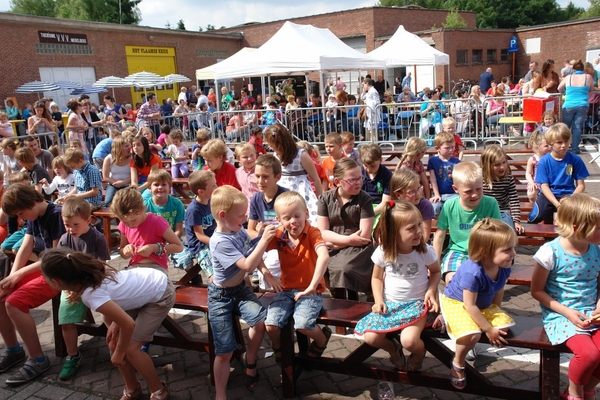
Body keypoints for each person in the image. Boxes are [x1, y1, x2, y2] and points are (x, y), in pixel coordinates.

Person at [40, 248, 174, 400]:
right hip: (144, 289)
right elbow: (117, 310)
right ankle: (133, 388)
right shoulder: (87, 279)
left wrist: (119, 352)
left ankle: (158, 389)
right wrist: (118, 330)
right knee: (113, 341)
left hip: (161, 293)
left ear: (56, 282)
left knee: (131, 349)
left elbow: (128, 324)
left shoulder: (91, 295)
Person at [208, 185, 278, 399]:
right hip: (220, 296)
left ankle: (250, 360)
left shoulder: (237, 230)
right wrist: (264, 240)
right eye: (240, 215)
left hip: (239, 289)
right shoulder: (219, 241)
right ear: (223, 215)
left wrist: (266, 272)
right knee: (225, 351)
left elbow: (252, 253)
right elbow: (247, 264)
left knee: (259, 322)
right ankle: (221, 394)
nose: (245, 218)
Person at [355, 200, 440, 371]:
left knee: (409, 341)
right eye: (411, 228)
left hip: (417, 305)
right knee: (371, 338)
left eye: (418, 224)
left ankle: (418, 354)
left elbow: (436, 272)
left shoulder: (425, 251)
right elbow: (377, 278)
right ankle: (393, 349)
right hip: (390, 305)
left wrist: (431, 291)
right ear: (394, 233)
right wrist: (378, 300)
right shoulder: (383, 252)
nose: (419, 231)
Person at [530, 194, 600, 400]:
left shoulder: (596, 250)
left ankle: (586, 388)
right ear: (578, 227)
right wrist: (567, 312)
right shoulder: (550, 253)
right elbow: (536, 291)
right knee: (588, 355)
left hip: (591, 313)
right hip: (561, 315)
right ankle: (575, 393)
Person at [440, 218, 517, 390]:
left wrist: (495, 310)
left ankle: (464, 326)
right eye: (507, 250)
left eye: (513, 247)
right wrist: (488, 329)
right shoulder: (472, 272)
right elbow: (469, 305)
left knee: (504, 327)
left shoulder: (504, 265)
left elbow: (499, 289)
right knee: (472, 334)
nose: (513, 253)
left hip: (480, 304)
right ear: (485, 251)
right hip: (457, 302)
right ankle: (457, 362)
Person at [0, 184, 65, 384]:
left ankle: (38, 358)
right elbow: (26, 247)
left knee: (14, 303)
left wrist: (19, 274)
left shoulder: (56, 215)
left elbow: (54, 258)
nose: (21, 217)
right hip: (43, 270)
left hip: (59, 274)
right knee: (2, 294)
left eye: (21, 213)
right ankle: (13, 349)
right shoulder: (34, 215)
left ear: (31, 202)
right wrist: (11, 278)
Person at [265, 191, 332, 362]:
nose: (293, 221)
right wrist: (268, 276)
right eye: (287, 218)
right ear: (279, 220)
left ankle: (322, 338)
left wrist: (312, 286)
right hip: (286, 290)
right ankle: (278, 346)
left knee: (302, 324)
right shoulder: (279, 234)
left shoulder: (312, 232)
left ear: (306, 214)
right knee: (271, 326)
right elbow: (254, 253)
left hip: (310, 291)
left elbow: (324, 256)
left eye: (297, 215)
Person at [54, 198, 110, 380]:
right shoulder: (65, 239)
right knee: (66, 319)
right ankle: (72, 354)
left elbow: (101, 267)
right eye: (67, 225)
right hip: (72, 285)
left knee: (110, 314)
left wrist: (82, 286)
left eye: (75, 224)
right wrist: (68, 287)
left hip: (94, 281)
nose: (71, 229)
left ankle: (115, 346)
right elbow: (60, 266)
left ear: (88, 220)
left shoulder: (97, 238)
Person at [432, 161, 501, 284]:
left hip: (484, 252)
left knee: (486, 280)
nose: (474, 195)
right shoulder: (450, 205)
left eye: (479, 189)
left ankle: (481, 302)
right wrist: (435, 262)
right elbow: (440, 234)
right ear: (456, 189)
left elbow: (498, 233)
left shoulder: (491, 203)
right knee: (452, 280)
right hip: (457, 251)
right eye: (468, 191)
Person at [317, 158, 374, 300]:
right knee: (318, 261)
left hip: (358, 249)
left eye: (360, 178)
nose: (359, 182)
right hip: (340, 243)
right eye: (352, 180)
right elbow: (323, 232)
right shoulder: (325, 199)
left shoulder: (365, 199)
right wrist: (348, 240)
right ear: (337, 182)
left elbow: (364, 236)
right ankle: (337, 295)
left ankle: (352, 301)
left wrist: (334, 242)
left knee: (344, 267)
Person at [528, 123, 589, 224]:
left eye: (566, 141)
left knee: (581, 218)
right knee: (534, 217)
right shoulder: (544, 161)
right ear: (551, 143)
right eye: (559, 142)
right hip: (548, 195)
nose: (564, 145)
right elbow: (544, 186)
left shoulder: (575, 160)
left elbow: (581, 185)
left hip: (569, 194)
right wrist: (558, 205)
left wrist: (570, 199)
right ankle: (529, 237)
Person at [264, 123, 323, 225]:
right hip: (282, 190)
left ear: (280, 143)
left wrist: (321, 201)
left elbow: (315, 178)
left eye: (271, 144)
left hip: (300, 190)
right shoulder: (276, 155)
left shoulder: (301, 154)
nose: (270, 147)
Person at [111, 187, 183, 271]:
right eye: (125, 222)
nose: (130, 225)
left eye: (133, 220)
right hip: (134, 267)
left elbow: (178, 247)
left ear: (142, 208)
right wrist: (125, 251)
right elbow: (123, 253)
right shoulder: (123, 225)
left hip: (156, 267)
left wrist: (154, 248)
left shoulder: (157, 222)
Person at [247, 154, 288, 287]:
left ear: (278, 177)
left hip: (282, 244)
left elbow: (291, 230)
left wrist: (265, 234)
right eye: (257, 176)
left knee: (271, 264)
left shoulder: (286, 197)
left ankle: (270, 295)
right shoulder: (256, 198)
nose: (260, 181)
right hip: (264, 242)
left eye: (265, 177)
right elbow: (250, 229)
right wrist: (262, 235)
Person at [480, 145, 525, 234]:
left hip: (502, 211)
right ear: (487, 165)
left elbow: (514, 200)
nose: (502, 167)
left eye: (504, 162)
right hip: (484, 212)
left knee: (508, 232)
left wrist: (516, 221)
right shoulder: (481, 178)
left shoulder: (508, 178)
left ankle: (507, 247)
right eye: (497, 165)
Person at [184, 170, 217, 282]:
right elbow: (199, 235)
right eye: (213, 186)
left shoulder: (210, 201)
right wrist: (216, 242)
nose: (216, 187)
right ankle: (216, 290)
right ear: (201, 192)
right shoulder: (194, 210)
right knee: (214, 272)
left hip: (212, 239)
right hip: (200, 246)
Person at [558, 60, 593, 155]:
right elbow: (592, 89)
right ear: (583, 69)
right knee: (577, 128)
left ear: (573, 69)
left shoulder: (568, 77)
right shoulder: (588, 77)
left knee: (565, 127)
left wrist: (566, 91)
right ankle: (575, 149)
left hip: (569, 104)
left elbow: (559, 88)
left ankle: (562, 146)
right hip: (582, 104)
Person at [389, 169, 434, 240]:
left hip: (419, 246)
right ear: (398, 195)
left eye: (419, 188)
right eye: (412, 191)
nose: (418, 193)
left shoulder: (425, 205)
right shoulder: (392, 207)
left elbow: (425, 236)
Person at [427, 132, 461, 216]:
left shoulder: (457, 162)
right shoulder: (433, 161)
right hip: (440, 195)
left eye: (452, 147)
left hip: (454, 194)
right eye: (447, 148)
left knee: (457, 207)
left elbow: (460, 179)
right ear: (437, 148)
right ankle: (441, 227)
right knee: (434, 207)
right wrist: (436, 194)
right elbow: (433, 179)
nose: (451, 150)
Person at [359, 143, 392, 215]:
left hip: (379, 208)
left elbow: (385, 203)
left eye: (372, 166)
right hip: (360, 206)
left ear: (380, 160)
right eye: (365, 166)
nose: (368, 169)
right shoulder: (359, 172)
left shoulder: (387, 175)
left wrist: (368, 214)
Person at [101, 136, 131, 207]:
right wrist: (114, 183)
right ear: (119, 148)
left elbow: (135, 175)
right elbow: (105, 177)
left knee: (124, 203)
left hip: (128, 184)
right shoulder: (109, 158)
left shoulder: (132, 158)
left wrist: (123, 182)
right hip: (113, 184)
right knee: (107, 202)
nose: (130, 148)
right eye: (126, 146)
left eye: (129, 145)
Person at [525, 130, 551, 204]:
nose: (549, 147)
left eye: (550, 145)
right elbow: (528, 173)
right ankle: (533, 208)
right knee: (531, 194)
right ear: (537, 146)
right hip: (536, 182)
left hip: (548, 182)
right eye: (546, 146)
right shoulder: (533, 159)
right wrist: (531, 183)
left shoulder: (551, 157)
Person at [234, 142, 258, 210]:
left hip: (263, 206)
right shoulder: (238, 172)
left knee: (269, 220)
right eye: (245, 157)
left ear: (255, 154)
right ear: (238, 159)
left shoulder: (262, 170)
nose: (250, 159)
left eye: (252, 155)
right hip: (248, 208)